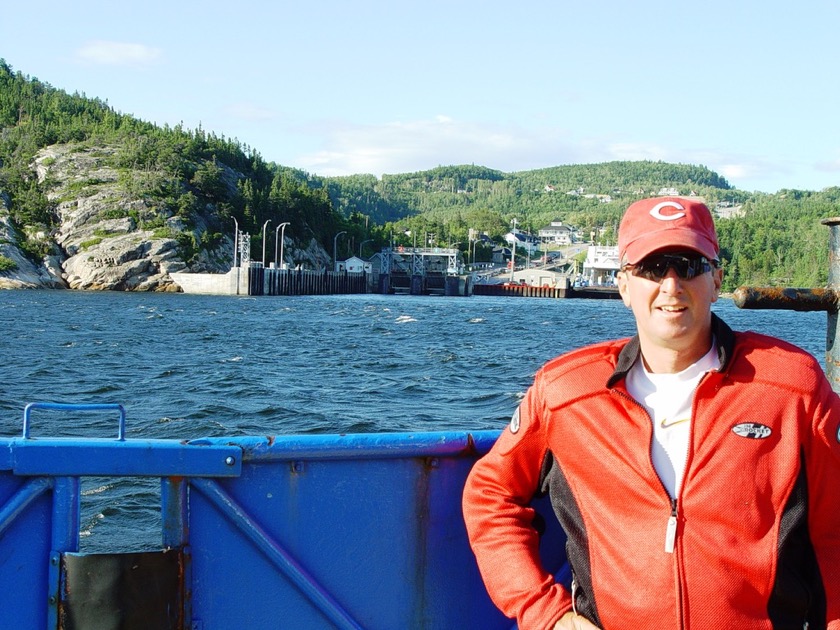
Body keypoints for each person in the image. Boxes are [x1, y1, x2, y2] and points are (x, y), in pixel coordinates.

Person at [462, 196, 840, 629]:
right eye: (653, 268)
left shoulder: (791, 387)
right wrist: (547, 615)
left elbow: (835, 530)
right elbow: (490, 496)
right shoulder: (568, 393)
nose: (672, 285)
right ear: (624, 285)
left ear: (716, 280)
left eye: (689, 265)